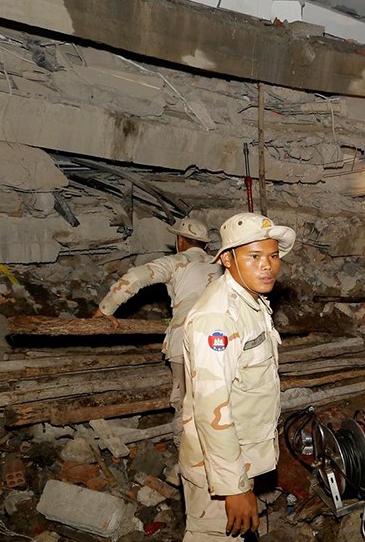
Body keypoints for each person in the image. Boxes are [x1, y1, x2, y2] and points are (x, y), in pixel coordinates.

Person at [179, 212, 295, 541]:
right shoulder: (218, 317)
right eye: (254, 256)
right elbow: (211, 407)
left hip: (238, 458)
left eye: (273, 256)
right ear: (228, 259)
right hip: (215, 470)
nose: (268, 266)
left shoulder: (251, 303)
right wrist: (233, 487)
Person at [95, 217, 222, 448]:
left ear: (180, 240)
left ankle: (186, 458)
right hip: (221, 340)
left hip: (186, 337)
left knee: (185, 401)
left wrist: (106, 309)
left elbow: (134, 278)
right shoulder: (221, 265)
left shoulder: (176, 261)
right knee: (217, 400)